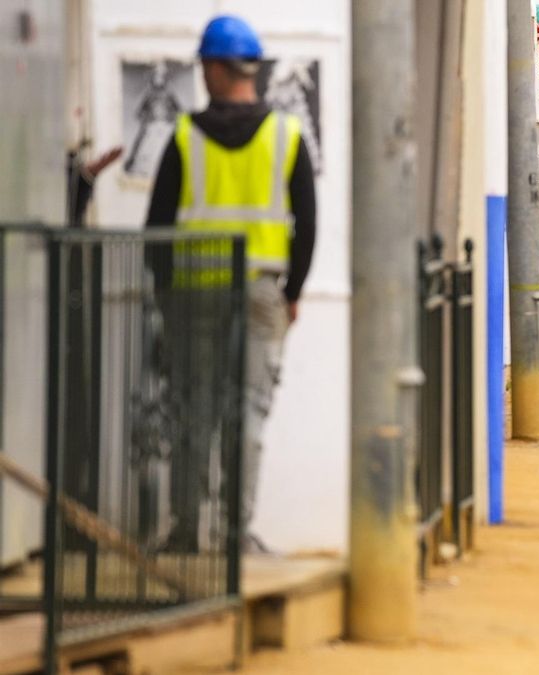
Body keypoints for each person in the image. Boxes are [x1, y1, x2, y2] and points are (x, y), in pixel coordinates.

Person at [146, 14, 317, 551]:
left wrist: (167, 292)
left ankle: (187, 534)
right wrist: (290, 295)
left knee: (193, 408)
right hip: (263, 294)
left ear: (216, 68)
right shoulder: (286, 135)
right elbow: (305, 227)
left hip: (193, 295)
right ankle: (233, 537)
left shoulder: (182, 136)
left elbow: (156, 228)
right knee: (248, 412)